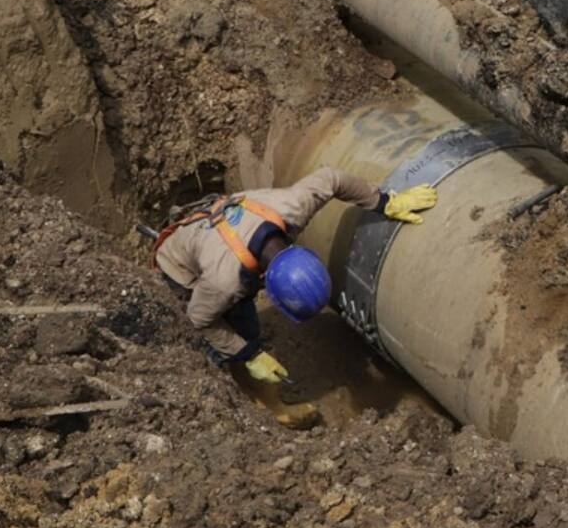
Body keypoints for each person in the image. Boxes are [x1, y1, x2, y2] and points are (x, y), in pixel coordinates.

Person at [151, 168, 436, 392]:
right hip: (178, 267)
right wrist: (248, 354)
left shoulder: (291, 209)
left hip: (219, 240)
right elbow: (199, 319)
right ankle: (227, 383)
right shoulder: (225, 282)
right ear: (266, 285)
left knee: (247, 325)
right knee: (228, 331)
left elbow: (332, 178)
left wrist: (385, 201)